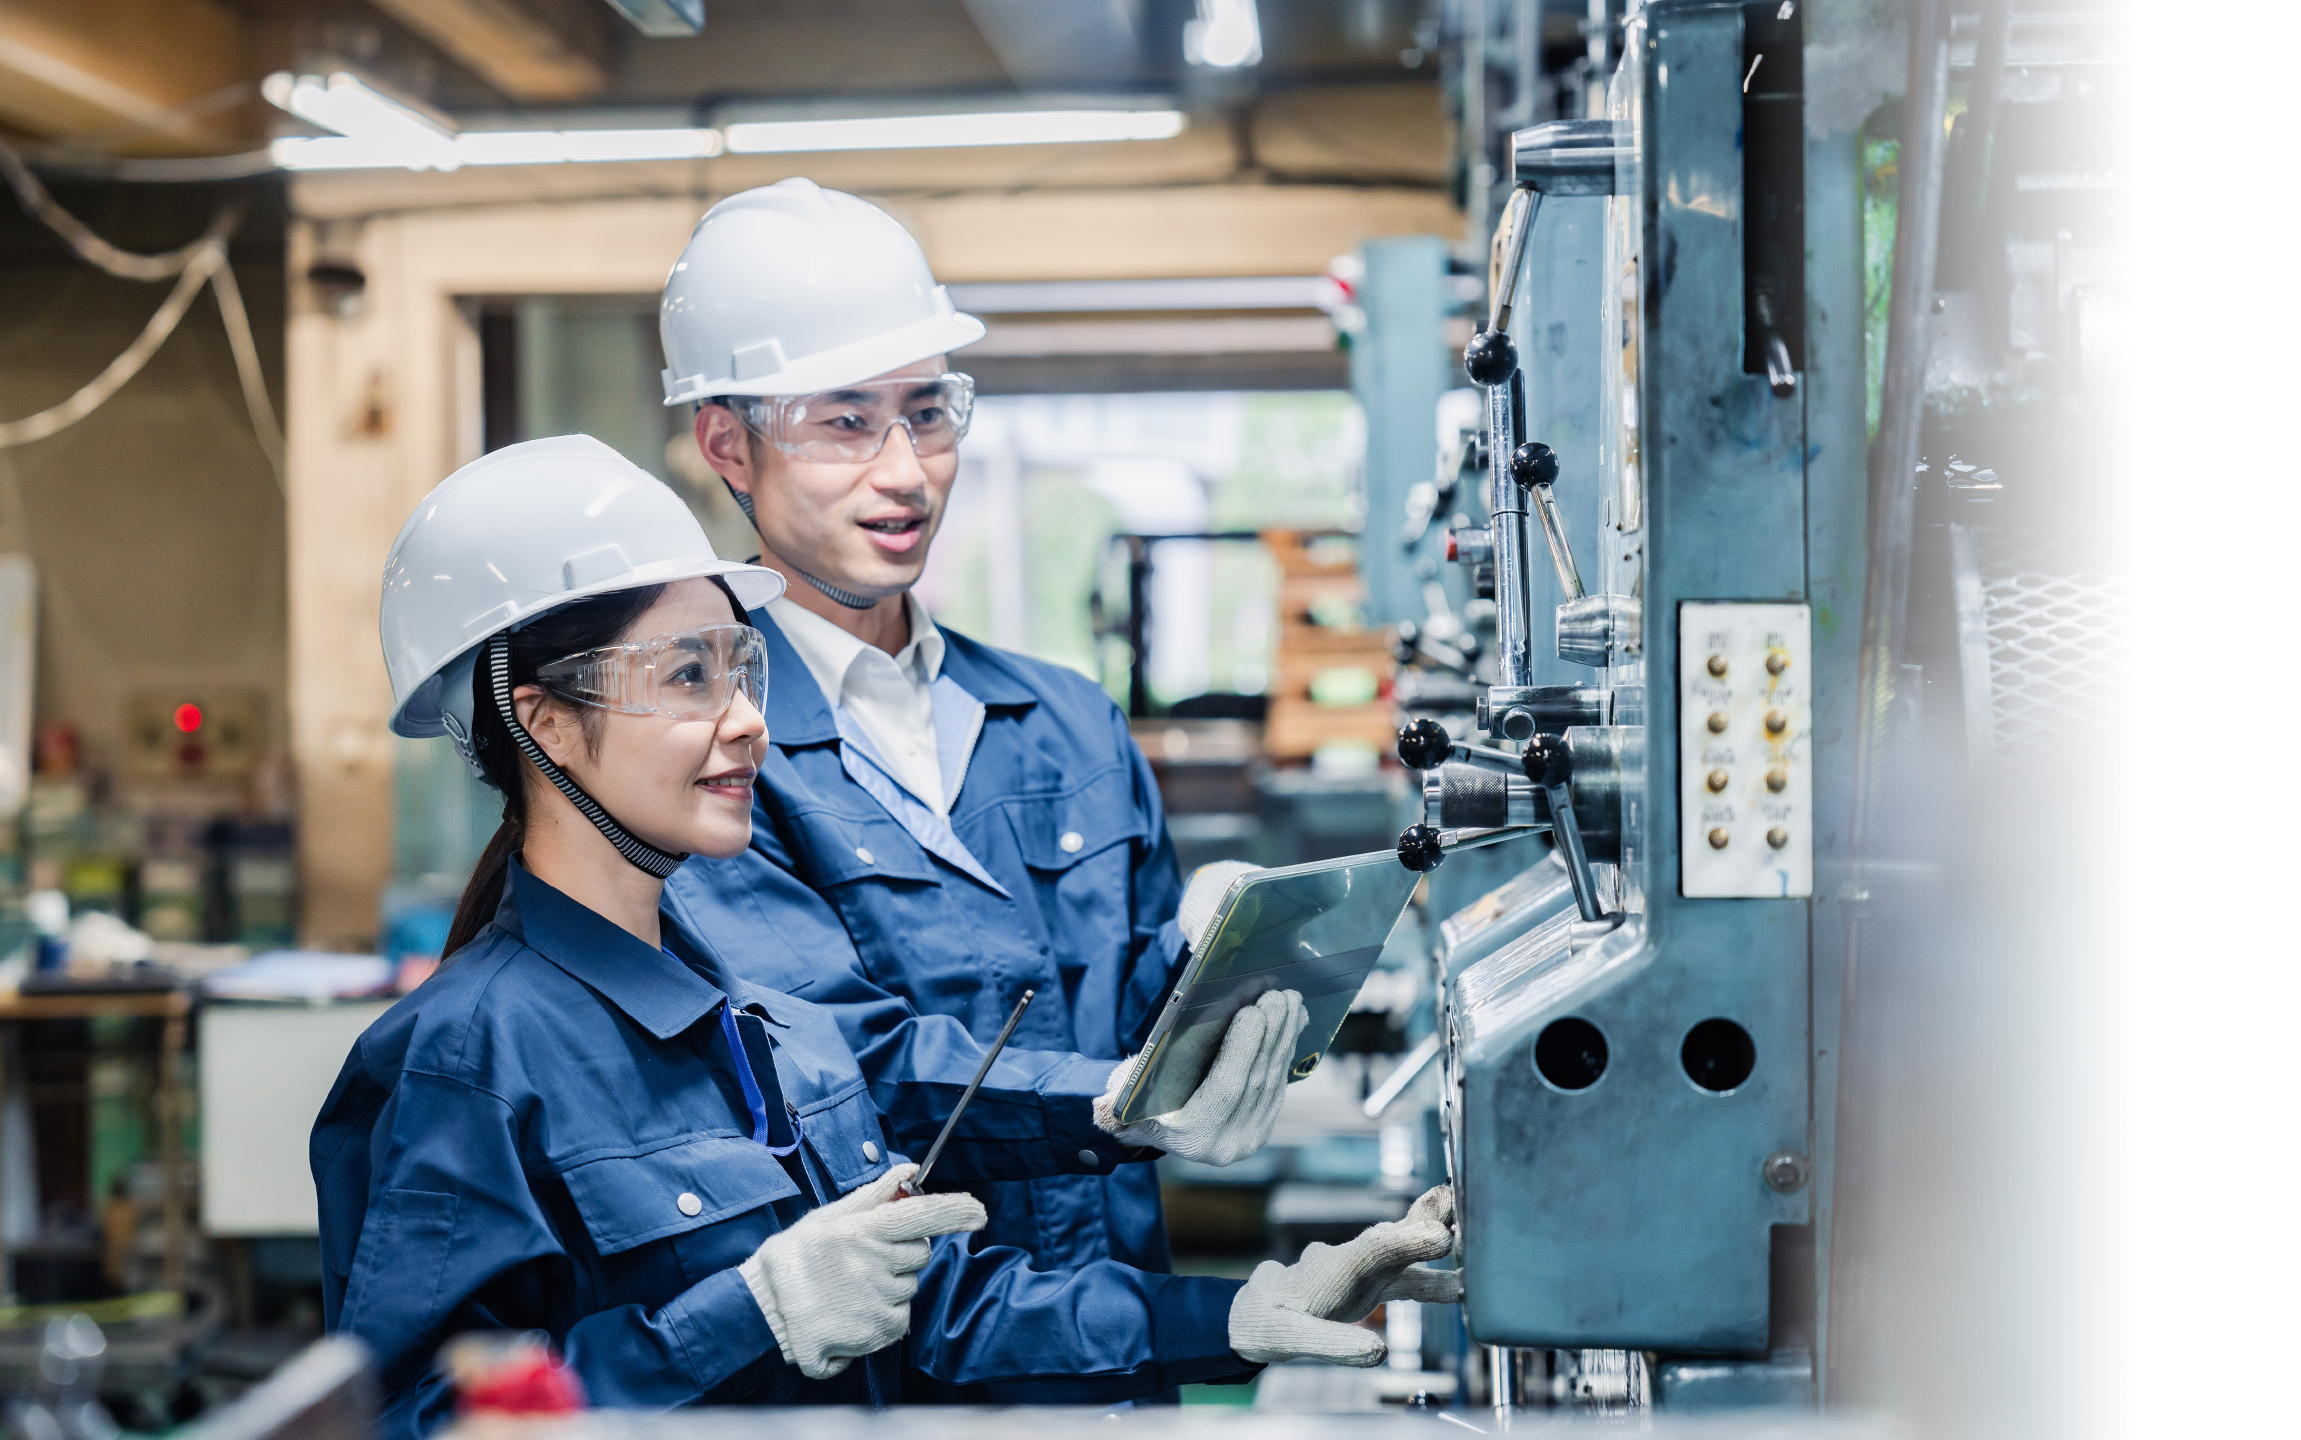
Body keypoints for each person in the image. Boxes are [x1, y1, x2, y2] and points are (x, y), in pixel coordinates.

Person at [316, 436, 1458, 1435]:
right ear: (545, 720)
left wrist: (1251, 1309)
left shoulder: (770, 1028)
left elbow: (945, 1314)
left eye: (740, 664)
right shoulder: (465, 1059)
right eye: (685, 676)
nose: (748, 718)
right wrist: (746, 1314)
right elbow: (418, 1418)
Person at [654, 177, 1321, 1392]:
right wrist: (1118, 1100)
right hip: (900, 1390)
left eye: (928, 412)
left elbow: (1133, 1016)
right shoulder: (707, 759)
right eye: (844, 422)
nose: (905, 472)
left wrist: (1224, 967)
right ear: (726, 446)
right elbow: (853, 1069)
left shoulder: (1064, 719)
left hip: (1118, 1361)